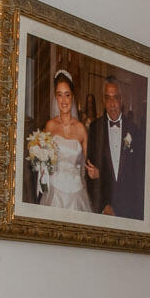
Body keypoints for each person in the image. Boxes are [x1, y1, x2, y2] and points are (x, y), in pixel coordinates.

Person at [85, 75, 145, 218]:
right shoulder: (95, 129)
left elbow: (139, 174)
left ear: (122, 101)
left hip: (130, 210)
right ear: (103, 101)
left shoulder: (134, 130)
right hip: (105, 209)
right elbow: (90, 174)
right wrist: (102, 206)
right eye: (108, 98)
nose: (112, 104)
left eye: (115, 98)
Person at [40, 71, 97, 212]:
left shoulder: (81, 129)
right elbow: (43, 160)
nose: (63, 100)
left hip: (76, 192)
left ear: (72, 96)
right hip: (54, 191)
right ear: (55, 97)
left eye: (67, 94)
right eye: (59, 95)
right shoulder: (50, 126)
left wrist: (96, 172)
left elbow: (90, 164)